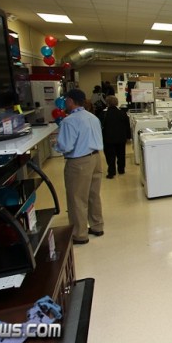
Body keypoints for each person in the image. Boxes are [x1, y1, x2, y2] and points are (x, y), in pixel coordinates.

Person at [54, 88, 104, 245]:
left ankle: (79, 234)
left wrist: (56, 145)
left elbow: (66, 146)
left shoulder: (69, 121)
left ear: (70, 101)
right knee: (93, 194)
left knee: (77, 198)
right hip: (96, 158)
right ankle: (97, 226)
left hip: (79, 162)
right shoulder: (93, 117)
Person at [100, 95, 131, 179]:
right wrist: (128, 136)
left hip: (108, 138)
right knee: (121, 154)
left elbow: (100, 126)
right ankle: (121, 169)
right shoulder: (122, 113)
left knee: (110, 155)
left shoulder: (104, 113)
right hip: (121, 138)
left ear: (107, 103)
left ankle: (111, 171)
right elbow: (127, 125)